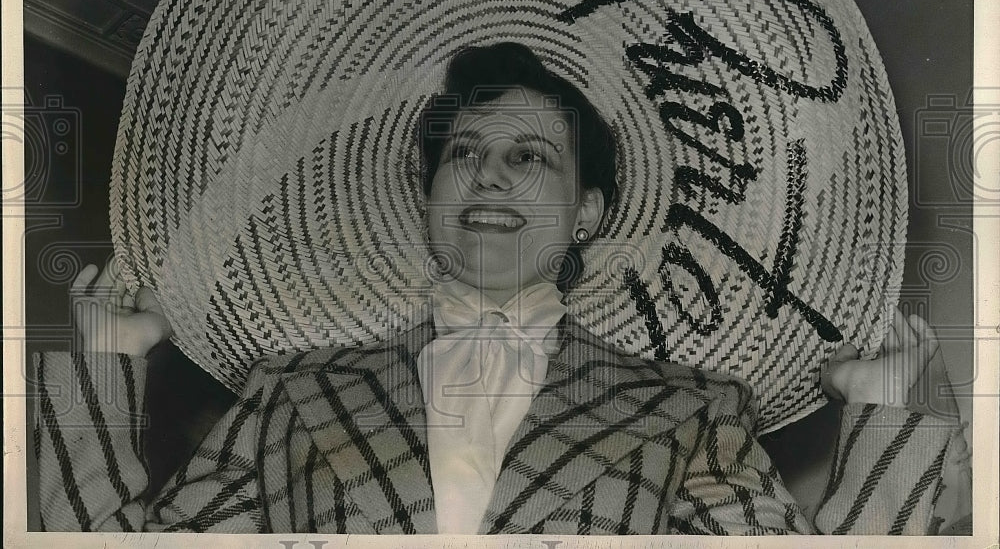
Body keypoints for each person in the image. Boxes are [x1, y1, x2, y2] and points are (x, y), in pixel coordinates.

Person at [35, 42, 967, 535]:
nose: (486, 176)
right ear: (430, 191)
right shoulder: (288, 391)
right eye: (463, 154)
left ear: (589, 211)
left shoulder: (697, 410)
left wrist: (885, 413)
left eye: (529, 156)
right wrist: (104, 370)